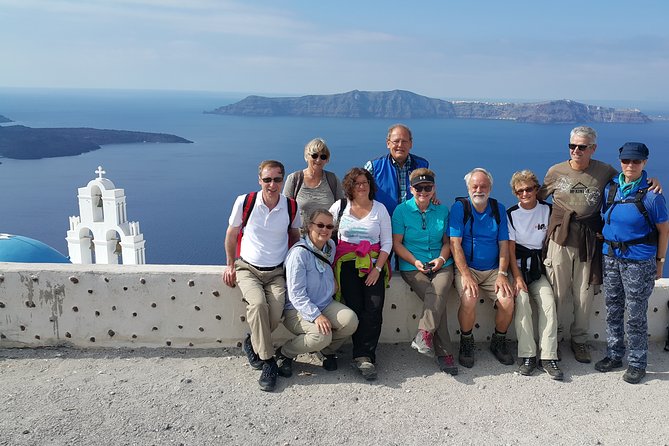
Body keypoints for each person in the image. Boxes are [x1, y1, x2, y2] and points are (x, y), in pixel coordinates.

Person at [538, 126, 661, 363]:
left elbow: (629, 178)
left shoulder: (604, 171)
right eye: (572, 146)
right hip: (560, 241)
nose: (576, 150)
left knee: (583, 297)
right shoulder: (555, 171)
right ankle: (552, 339)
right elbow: (538, 197)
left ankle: (579, 341)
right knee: (557, 294)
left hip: (589, 242)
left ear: (593, 149)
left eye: (582, 147)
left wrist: (652, 180)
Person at [223, 160, 301, 392]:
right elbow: (231, 233)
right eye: (267, 179)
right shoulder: (245, 202)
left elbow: (295, 236)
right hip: (248, 268)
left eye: (277, 179)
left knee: (276, 314)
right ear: (260, 180)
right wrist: (229, 265)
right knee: (257, 305)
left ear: (283, 180)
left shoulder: (291, 206)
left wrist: (293, 267)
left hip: (276, 271)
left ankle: (251, 342)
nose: (272, 184)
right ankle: (268, 363)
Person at [594, 142, 668, 384]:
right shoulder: (611, 188)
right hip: (611, 256)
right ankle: (615, 354)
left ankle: (637, 363)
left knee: (635, 313)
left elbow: (664, 230)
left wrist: (660, 262)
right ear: (620, 161)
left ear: (644, 163)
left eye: (636, 161)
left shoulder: (652, 195)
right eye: (626, 161)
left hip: (638, 259)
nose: (630, 165)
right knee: (613, 307)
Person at [275, 209, 359, 377]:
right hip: (297, 310)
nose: (325, 230)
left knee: (351, 321)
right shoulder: (299, 254)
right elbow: (296, 294)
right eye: (320, 225)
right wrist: (316, 316)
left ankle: (325, 351)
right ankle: (285, 353)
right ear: (309, 226)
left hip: (325, 303)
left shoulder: (330, 247)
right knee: (321, 335)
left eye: (329, 226)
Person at [392, 168, 458, 375]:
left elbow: (447, 243)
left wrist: (440, 259)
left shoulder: (442, 211)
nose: (423, 191)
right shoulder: (400, 211)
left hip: (442, 264)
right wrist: (415, 261)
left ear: (434, 189)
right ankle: (444, 353)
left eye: (427, 187)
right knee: (436, 299)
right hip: (412, 266)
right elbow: (397, 244)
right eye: (418, 188)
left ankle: (424, 334)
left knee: (437, 294)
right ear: (411, 189)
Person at [330, 167, 392, 380]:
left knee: (374, 308)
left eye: (365, 182)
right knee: (354, 308)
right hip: (346, 265)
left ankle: (366, 356)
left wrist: (377, 269)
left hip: (372, 265)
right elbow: (325, 233)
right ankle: (358, 354)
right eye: (357, 183)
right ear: (349, 186)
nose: (362, 186)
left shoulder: (380, 209)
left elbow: (387, 243)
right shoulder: (340, 207)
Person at [449, 167, 514, 368]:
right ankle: (466, 341)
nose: (479, 189)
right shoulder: (460, 208)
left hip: (494, 270)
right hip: (468, 268)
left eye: (483, 186)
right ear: (468, 188)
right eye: (475, 186)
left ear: (490, 188)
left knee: (508, 300)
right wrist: (466, 275)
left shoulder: (498, 208)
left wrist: (503, 273)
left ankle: (499, 341)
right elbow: (454, 243)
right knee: (469, 298)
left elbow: (504, 243)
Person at [506, 170, 563, 380]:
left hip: (538, 268)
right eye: (520, 191)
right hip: (518, 268)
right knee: (521, 302)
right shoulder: (511, 214)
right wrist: (517, 277)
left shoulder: (548, 210)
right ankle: (527, 355)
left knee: (548, 303)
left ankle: (548, 356)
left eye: (529, 189)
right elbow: (510, 250)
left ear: (536, 189)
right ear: (515, 193)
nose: (525, 193)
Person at [364, 124, 429, 216]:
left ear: (411, 143)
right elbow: (359, 194)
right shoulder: (373, 167)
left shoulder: (421, 165)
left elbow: (429, 192)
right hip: (383, 223)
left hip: (413, 225)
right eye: (396, 141)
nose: (400, 145)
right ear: (388, 143)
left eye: (404, 141)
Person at [284, 137, 344, 221]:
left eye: (323, 157)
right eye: (314, 156)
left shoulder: (333, 179)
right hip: (300, 233)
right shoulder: (294, 179)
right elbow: (285, 209)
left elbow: (342, 207)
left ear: (327, 160)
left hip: (326, 232)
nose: (318, 160)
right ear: (306, 157)